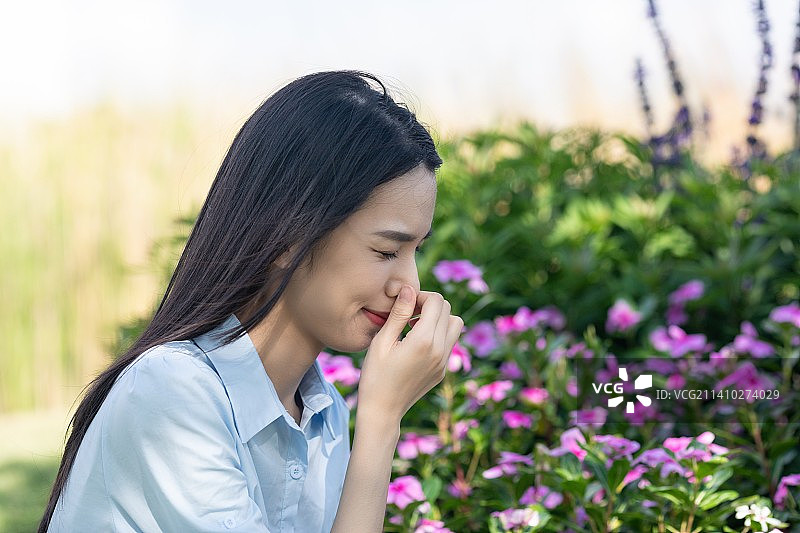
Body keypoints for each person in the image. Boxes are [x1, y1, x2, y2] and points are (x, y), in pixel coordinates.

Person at [39, 70, 463, 532]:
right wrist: (382, 422)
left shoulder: (324, 415)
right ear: (288, 236)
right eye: (386, 251)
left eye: (414, 252)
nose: (408, 284)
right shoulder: (173, 393)